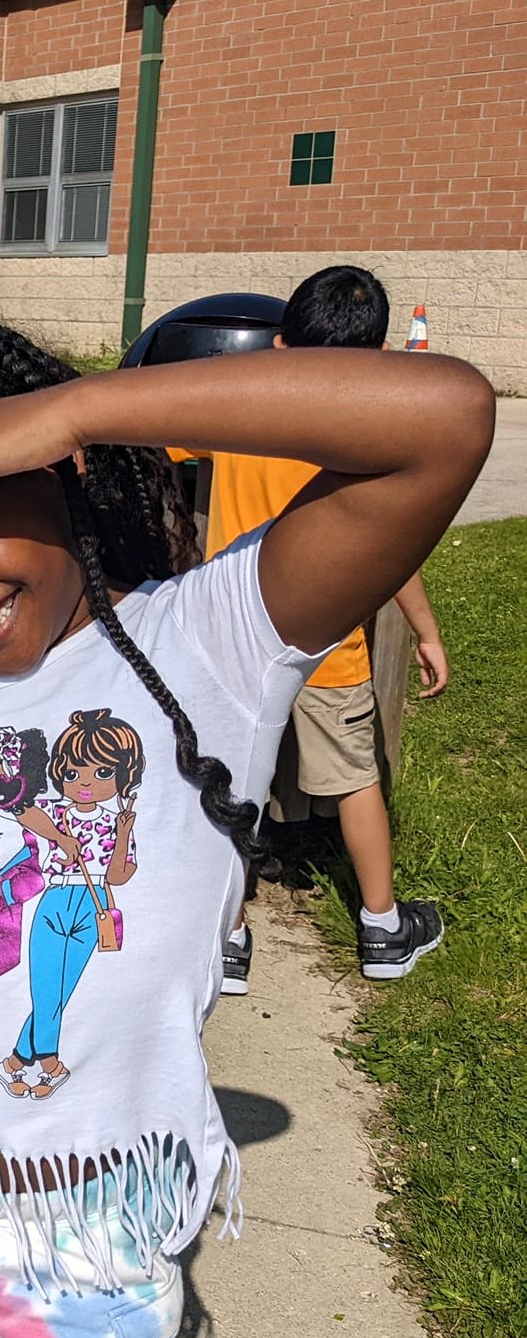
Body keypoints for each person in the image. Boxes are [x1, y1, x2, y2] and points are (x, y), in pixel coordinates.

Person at [0, 305, 491, 1338]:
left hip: (73, 1256)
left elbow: (446, 418)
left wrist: (78, 407)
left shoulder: (212, 637)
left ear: (58, 472)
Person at [170, 267, 450, 991]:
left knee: (229, 784)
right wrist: (426, 631)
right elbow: (391, 551)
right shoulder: (369, 435)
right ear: (381, 352)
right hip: (329, 644)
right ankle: (383, 930)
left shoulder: (239, 410)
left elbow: (163, 441)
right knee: (357, 781)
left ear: (282, 341)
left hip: (234, 640)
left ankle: (227, 938)